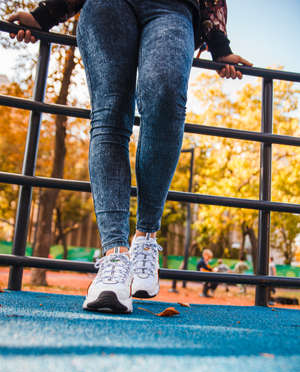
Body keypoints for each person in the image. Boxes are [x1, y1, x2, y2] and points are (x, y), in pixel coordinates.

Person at [8, 0, 252, 314]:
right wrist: (45, 15)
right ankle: (114, 259)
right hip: (107, 5)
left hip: (174, 8)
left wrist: (219, 45)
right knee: (109, 115)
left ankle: (146, 238)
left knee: (166, 98)